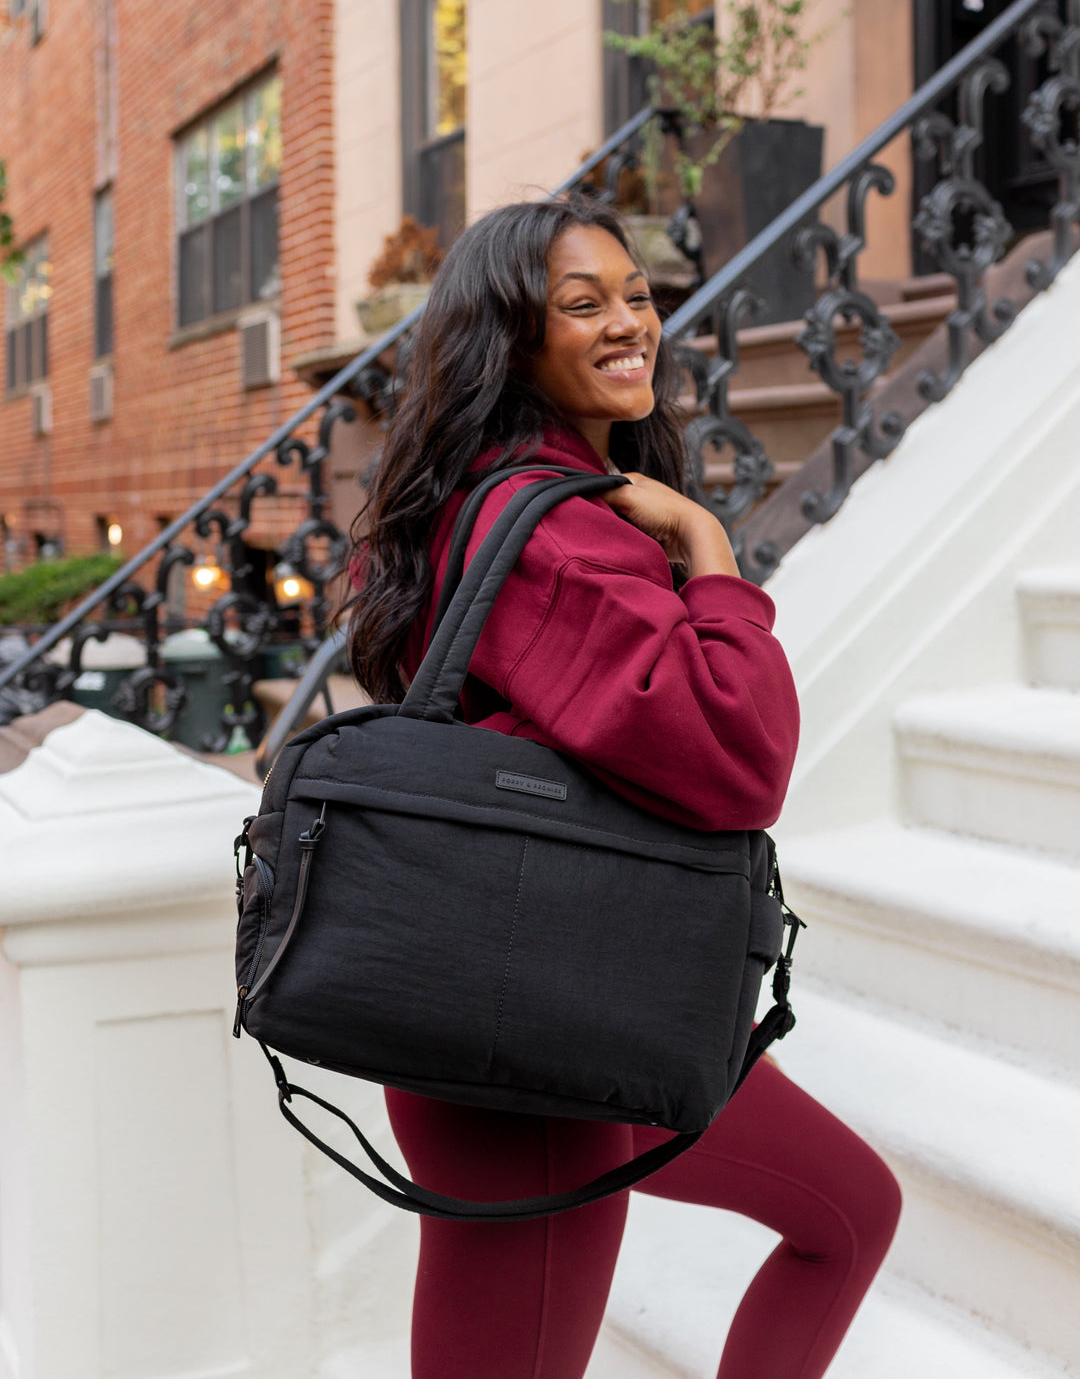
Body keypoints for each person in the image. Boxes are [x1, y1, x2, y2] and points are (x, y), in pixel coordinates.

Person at [346, 195, 901, 1379]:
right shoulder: (558, 538)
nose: (627, 323)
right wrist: (710, 553)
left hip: (580, 1000)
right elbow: (740, 756)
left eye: (636, 295)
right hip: (535, 1050)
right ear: (514, 341)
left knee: (848, 1212)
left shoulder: (487, 505)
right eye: (580, 304)